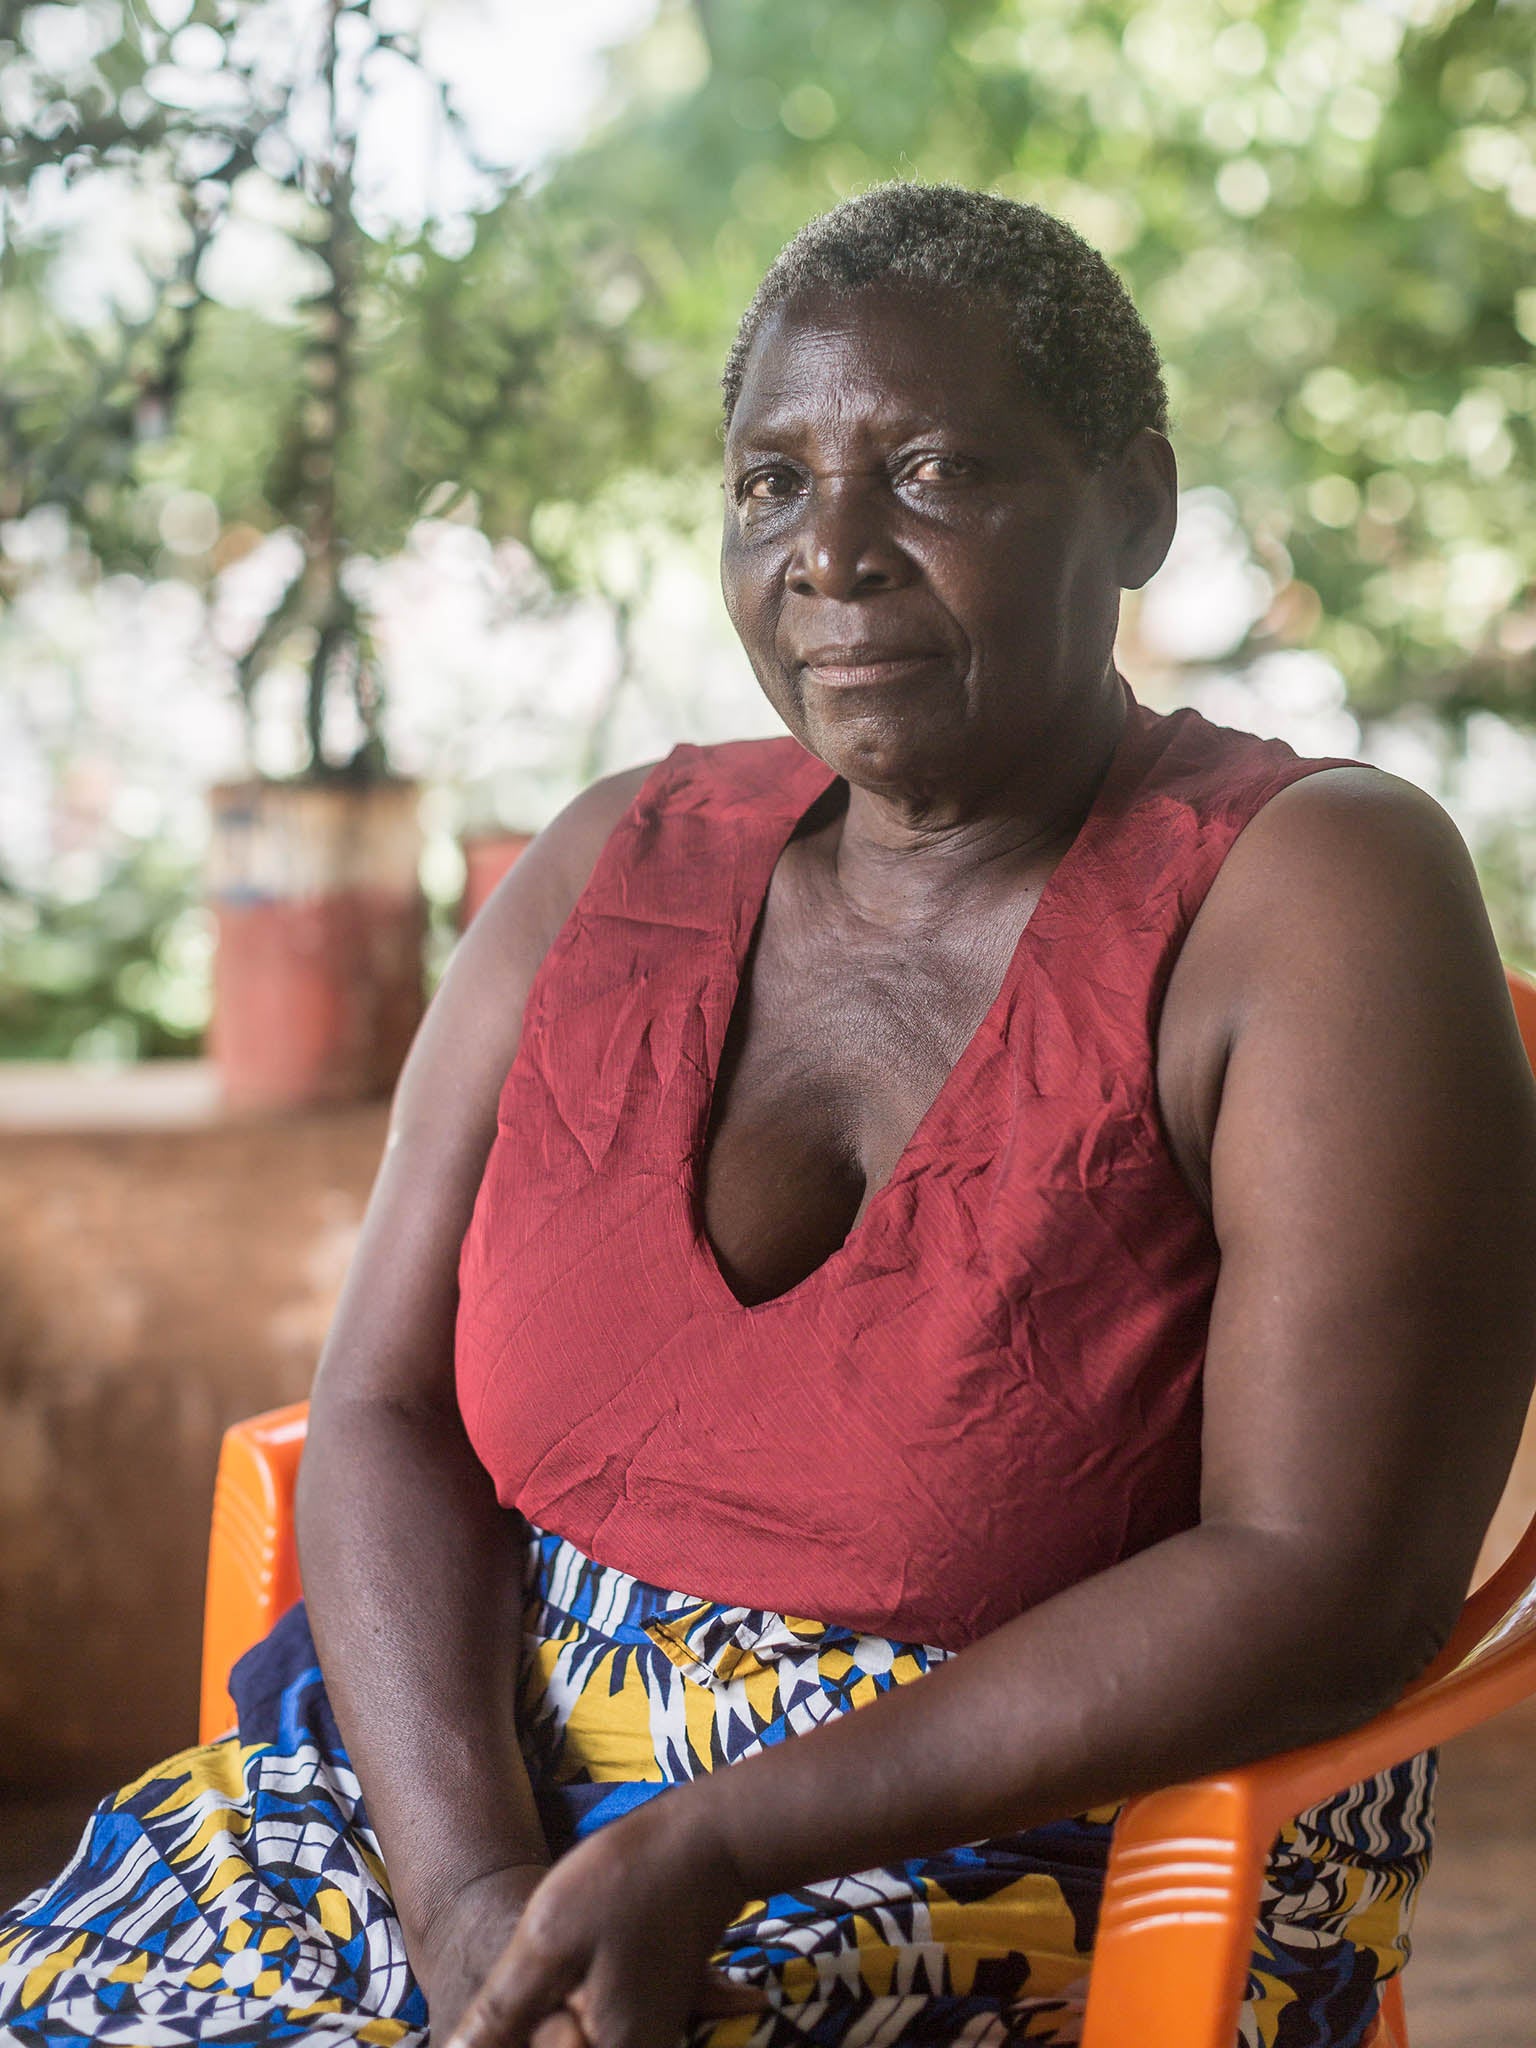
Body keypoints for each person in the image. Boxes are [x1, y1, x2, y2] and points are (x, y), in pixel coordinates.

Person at [4, 183, 1535, 2048]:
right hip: (446, 1808)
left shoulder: (1313, 894)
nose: (835, 553)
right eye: (770, 484)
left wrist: (708, 1848)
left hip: (1037, 1856)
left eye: (938, 471)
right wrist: (476, 1893)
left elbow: (1328, 1581)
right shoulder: (610, 865)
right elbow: (384, 1405)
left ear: (1137, 506)